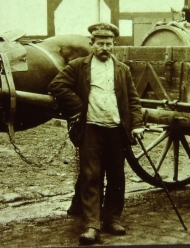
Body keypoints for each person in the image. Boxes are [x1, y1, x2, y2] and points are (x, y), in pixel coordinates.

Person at [48, 22, 145, 245]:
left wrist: (137, 124)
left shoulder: (122, 69)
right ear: (91, 44)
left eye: (109, 44)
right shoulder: (78, 66)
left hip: (116, 131)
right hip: (91, 129)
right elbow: (57, 86)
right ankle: (92, 225)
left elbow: (133, 99)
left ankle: (112, 218)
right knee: (91, 177)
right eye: (100, 43)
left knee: (116, 177)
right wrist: (79, 106)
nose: (104, 48)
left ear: (114, 45)